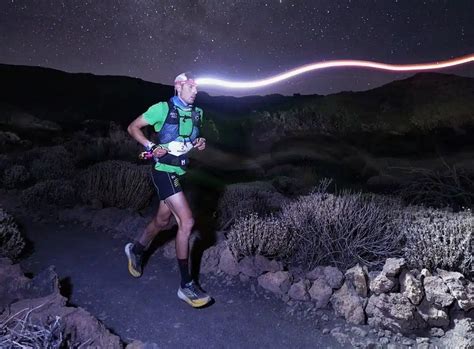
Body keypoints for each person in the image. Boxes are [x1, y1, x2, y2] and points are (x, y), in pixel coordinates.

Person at [125, 72, 211, 308]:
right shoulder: (161, 109)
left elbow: (190, 139)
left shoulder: (197, 113)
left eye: (197, 88)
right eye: (191, 87)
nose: (195, 91)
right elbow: (133, 128)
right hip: (162, 170)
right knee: (187, 221)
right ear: (178, 86)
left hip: (179, 172)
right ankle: (186, 285)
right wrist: (151, 146)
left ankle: (137, 249)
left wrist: (199, 142)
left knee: (162, 221)